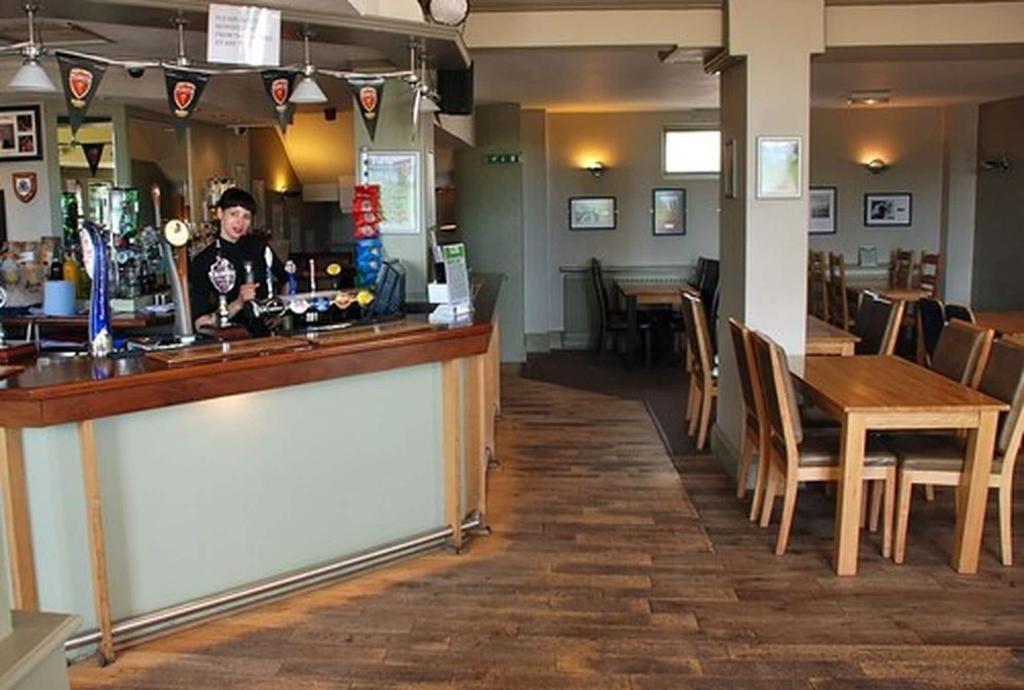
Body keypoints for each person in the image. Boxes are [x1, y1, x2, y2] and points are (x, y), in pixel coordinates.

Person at [189, 188, 288, 334]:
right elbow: (200, 324)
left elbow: (287, 279)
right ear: (220, 213)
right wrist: (238, 303)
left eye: (246, 216)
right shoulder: (203, 261)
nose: (240, 222)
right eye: (233, 214)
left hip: (265, 336)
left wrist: (280, 312)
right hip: (226, 340)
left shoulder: (259, 248)